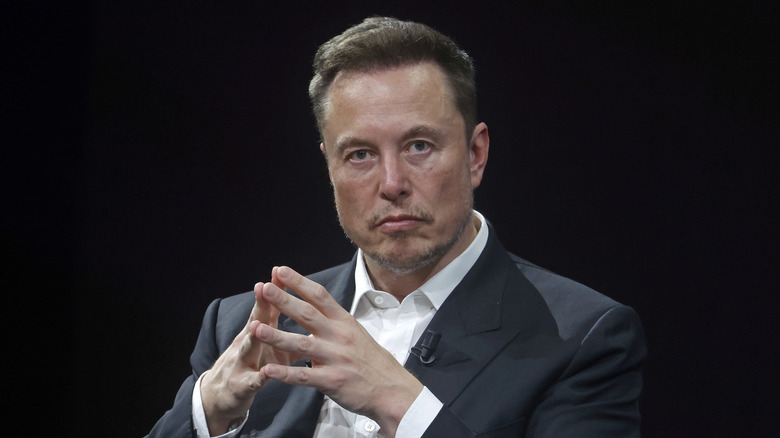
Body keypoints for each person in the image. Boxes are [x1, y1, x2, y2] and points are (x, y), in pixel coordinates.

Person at [146, 16, 646, 438]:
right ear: (330, 167)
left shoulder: (582, 337)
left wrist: (403, 406)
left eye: (419, 146)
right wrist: (205, 415)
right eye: (360, 154)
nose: (392, 183)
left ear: (475, 154)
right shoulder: (245, 328)